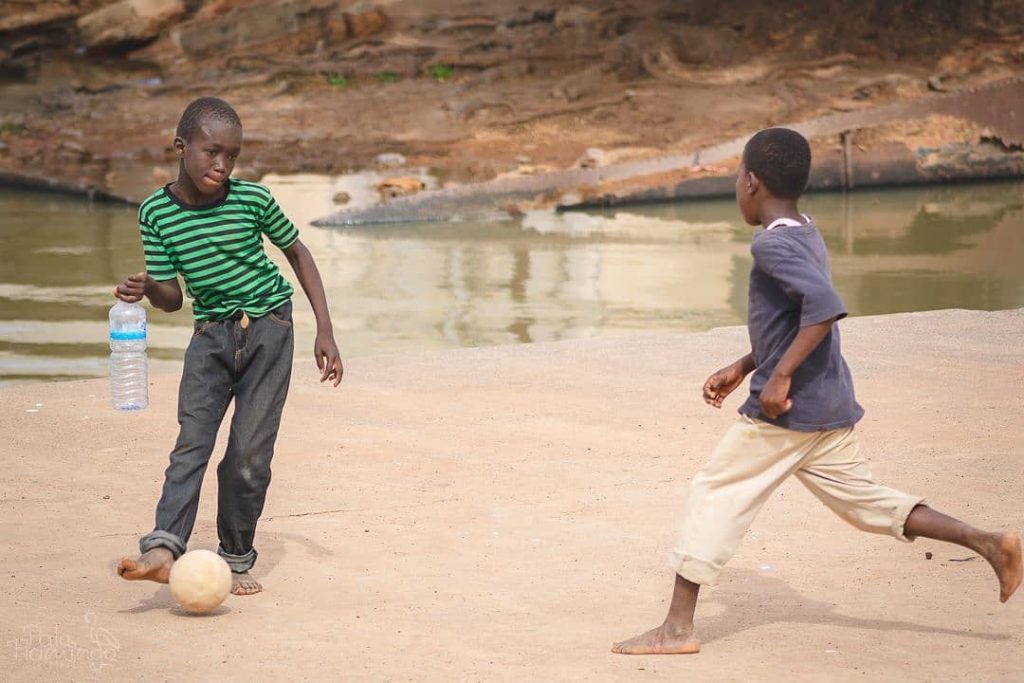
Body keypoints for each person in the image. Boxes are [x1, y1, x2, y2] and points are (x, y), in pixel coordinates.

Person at [612, 127, 1022, 655]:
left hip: (788, 411)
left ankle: (676, 630)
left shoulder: (771, 244)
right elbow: (794, 318)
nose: (737, 187)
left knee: (716, 491)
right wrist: (745, 364)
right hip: (827, 403)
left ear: (752, 182)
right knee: (864, 503)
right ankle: (987, 542)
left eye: (737, 177)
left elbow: (824, 306)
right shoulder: (805, 230)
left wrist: (779, 377)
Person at [114, 97, 343, 596]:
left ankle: (236, 557)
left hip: (269, 329)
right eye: (211, 152)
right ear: (181, 146)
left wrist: (324, 329)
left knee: (247, 455)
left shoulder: (252, 199)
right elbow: (173, 299)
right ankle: (163, 546)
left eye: (232, 155)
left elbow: (297, 252)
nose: (222, 165)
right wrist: (149, 287)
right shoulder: (155, 212)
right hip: (210, 336)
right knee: (192, 443)